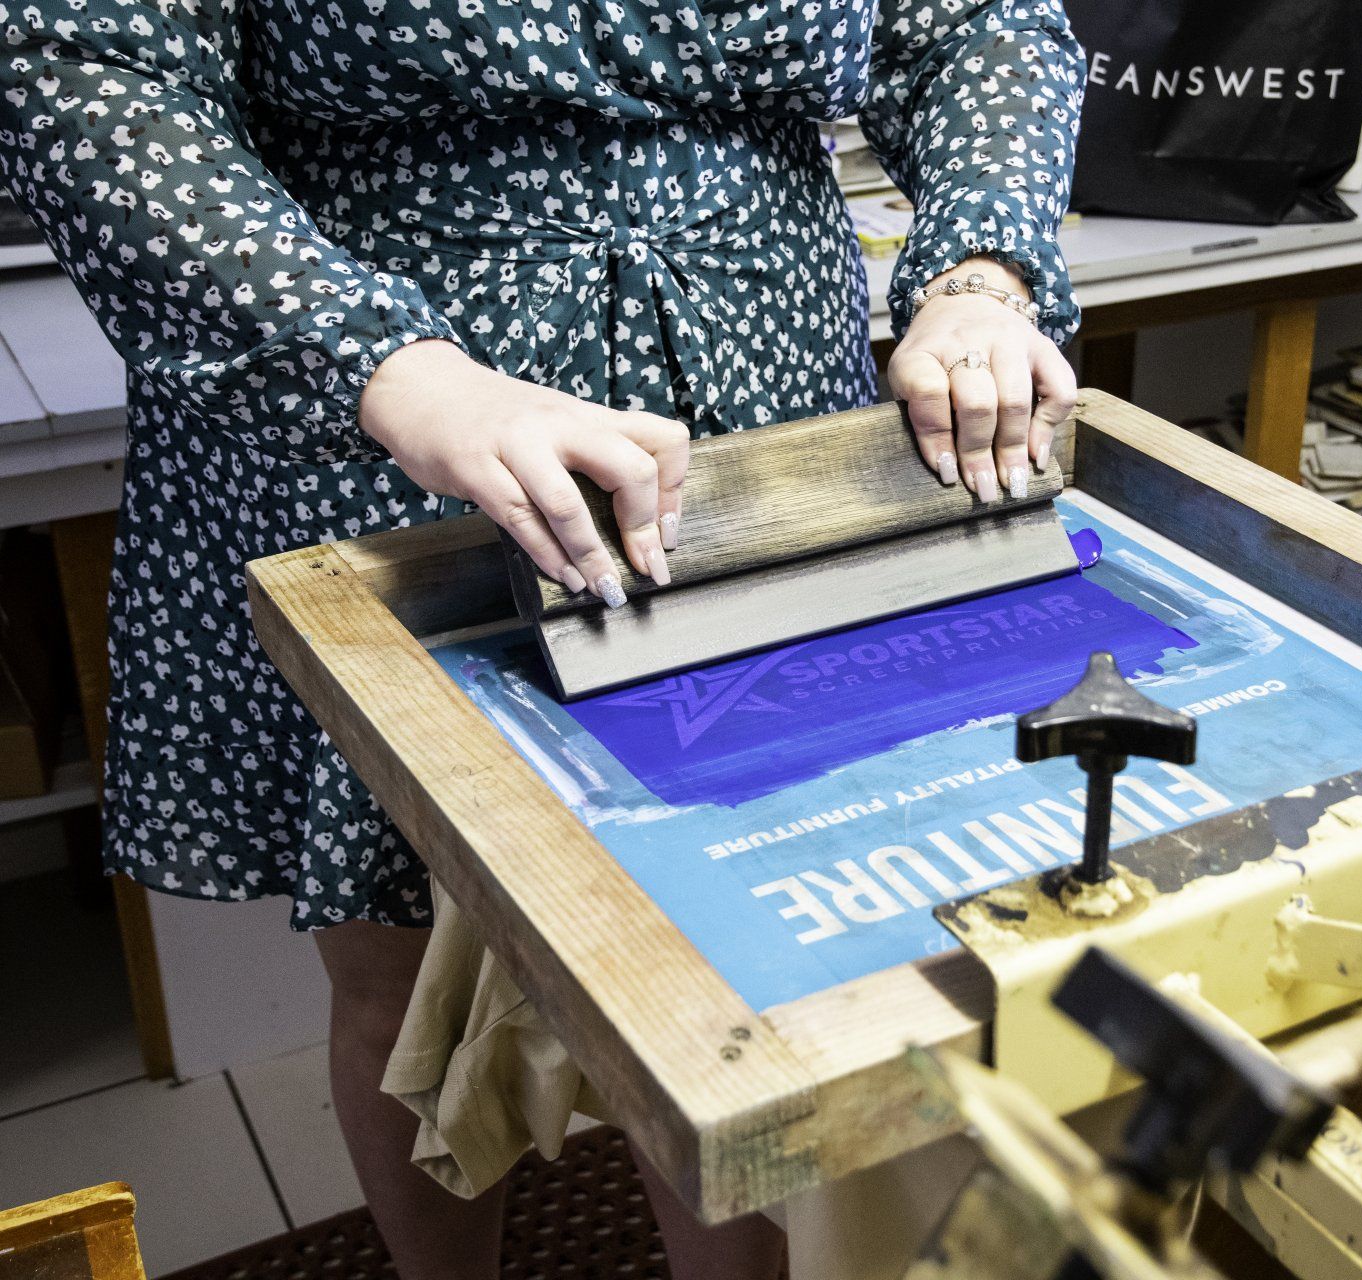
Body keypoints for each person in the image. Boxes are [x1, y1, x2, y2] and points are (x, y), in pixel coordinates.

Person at [0, 2, 1085, 1276]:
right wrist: (387, 366)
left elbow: (976, 25)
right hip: (396, 437)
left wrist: (978, 276)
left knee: (756, 947)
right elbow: (94, 76)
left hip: (765, 408)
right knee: (408, 963)